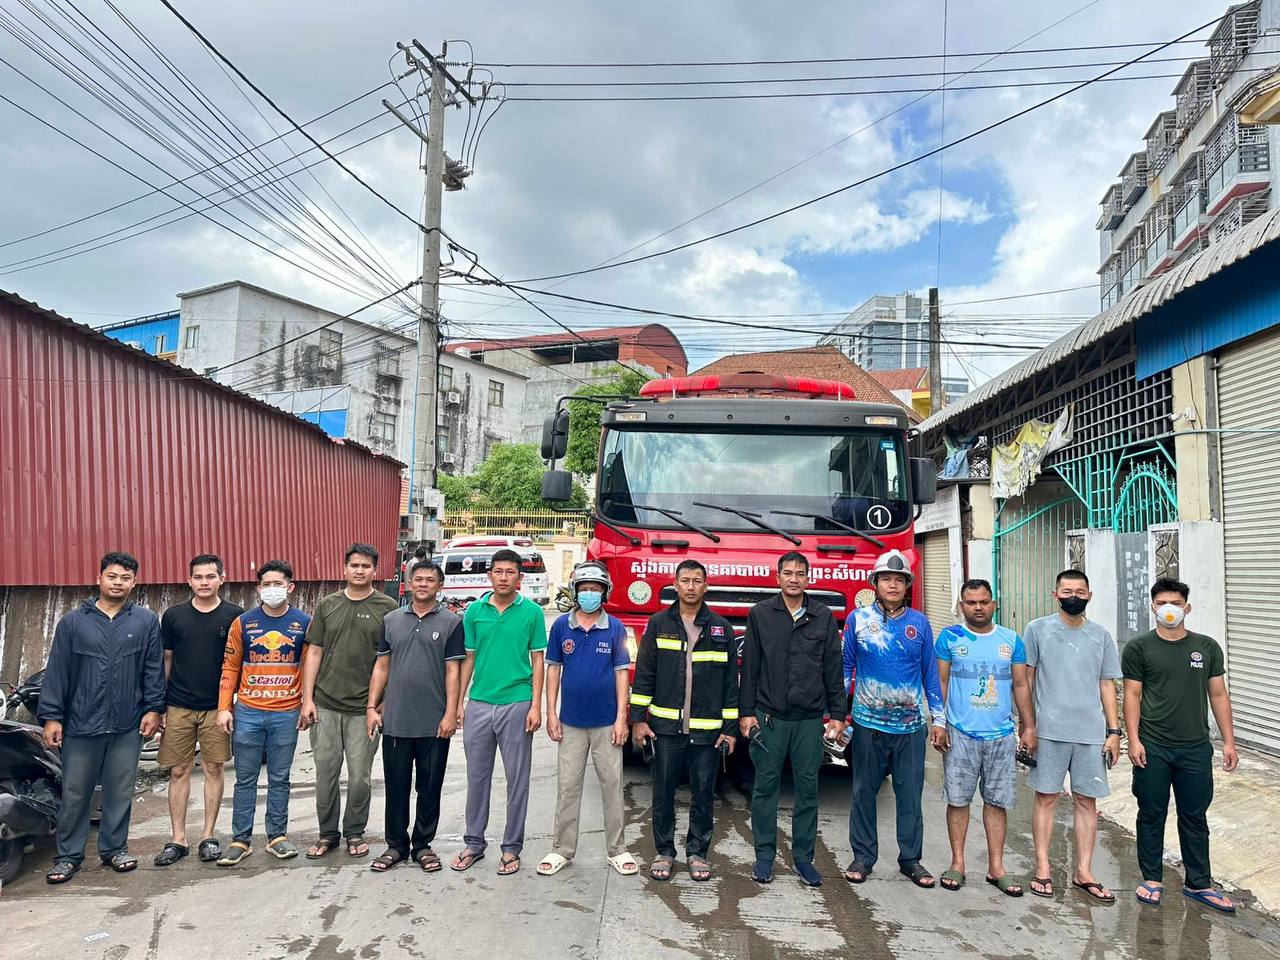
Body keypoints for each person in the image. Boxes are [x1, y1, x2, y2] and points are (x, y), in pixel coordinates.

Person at [39, 552, 165, 884]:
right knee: (75, 792)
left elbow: (153, 669)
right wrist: (52, 717)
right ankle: (68, 856)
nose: (117, 583)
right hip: (81, 723)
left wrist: (154, 709)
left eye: (125, 578)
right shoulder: (73, 623)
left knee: (119, 791)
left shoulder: (145, 622)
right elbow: (58, 671)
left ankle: (114, 850)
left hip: (127, 723)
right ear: (99, 578)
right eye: (112, 576)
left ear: (134, 583)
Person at [1124, 578, 1239, 913]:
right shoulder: (1139, 648)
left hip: (1195, 748)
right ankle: (1152, 879)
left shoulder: (1206, 647)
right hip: (1153, 746)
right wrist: (1134, 740)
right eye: (1162, 603)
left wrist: (1229, 742)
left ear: (1187, 607)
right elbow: (1132, 694)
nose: (1169, 609)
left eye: (1175, 603)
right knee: (1151, 812)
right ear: (1153, 607)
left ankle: (1199, 882)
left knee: (1194, 815)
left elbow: (1218, 694)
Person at [841, 549, 945, 889]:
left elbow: (930, 674)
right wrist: (839, 715)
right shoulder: (857, 620)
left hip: (911, 727)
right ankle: (862, 857)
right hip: (867, 725)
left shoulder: (920, 624)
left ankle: (911, 859)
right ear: (875, 582)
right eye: (886, 578)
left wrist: (939, 719)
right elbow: (845, 668)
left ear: (907, 585)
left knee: (910, 796)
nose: (892, 585)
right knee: (863, 793)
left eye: (899, 580)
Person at [629, 559, 738, 883]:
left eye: (697, 581)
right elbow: (645, 675)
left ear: (706, 586)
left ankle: (697, 853)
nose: (691, 586)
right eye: (685, 580)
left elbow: (731, 684)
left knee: (703, 795)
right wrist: (638, 720)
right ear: (675, 585)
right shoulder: (658, 624)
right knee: (663, 793)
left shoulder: (721, 628)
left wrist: (729, 730)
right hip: (665, 730)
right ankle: (664, 852)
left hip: (707, 732)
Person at [739, 551, 844, 887]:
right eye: (788, 573)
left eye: (800, 573)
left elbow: (832, 668)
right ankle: (764, 858)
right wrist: (746, 714)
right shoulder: (761, 614)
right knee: (765, 788)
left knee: (807, 790)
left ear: (808, 579)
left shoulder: (823, 616)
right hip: (769, 718)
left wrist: (838, 714)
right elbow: (750, 667)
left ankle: (803, 859)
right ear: (778, 578)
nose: (794, 579)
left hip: (809, 721)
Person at [1023, 569, 1122, 902]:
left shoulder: (1101, 636)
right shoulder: (1037, 630)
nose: (1074, 597)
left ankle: (1084, 872)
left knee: (1086, 801)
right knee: (1046, 797)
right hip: (1049, 731)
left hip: (1090, 734)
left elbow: (1107, 684)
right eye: (1067, 591)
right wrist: (1027, 725)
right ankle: (1042, 867)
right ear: (1055, 595)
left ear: (1090, 596)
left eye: (1080, 592)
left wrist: (1113, 731)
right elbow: (1026, 680)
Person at [933, 579, 1036, 897]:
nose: (978, 607)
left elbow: (1021, 685)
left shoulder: (1011, 640)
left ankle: (996, 868)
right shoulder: (950, 638)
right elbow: (941, 682)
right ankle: (958, 863)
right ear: (961, 606)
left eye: (983, 601)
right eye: (971, 602)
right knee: (958, 800)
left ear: (994, 604)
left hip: (1001, 736)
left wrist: (1028, 726)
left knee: (996, 802)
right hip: (960, 734)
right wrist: (938, 722)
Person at [536, 561, 637, 878]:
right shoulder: (561, 627)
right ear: (575, 592)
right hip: (571, 722)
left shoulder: (616, 628)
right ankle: (562, 849)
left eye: (595, 589)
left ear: (604, 593)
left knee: (612, 786)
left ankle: (617, 850)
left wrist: (621, 718)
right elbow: (554, 670)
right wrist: (551, 713)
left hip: (606, 722)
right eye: (584, 589)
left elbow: (622, 674)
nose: (589, 594)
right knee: (568, 787)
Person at [451, 548, 548, 876]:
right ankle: (474, 843)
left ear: (520, 578)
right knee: (477, 777)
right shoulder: (474, 612)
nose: (504, 577)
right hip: (479, 703)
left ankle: (511, 848)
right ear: (489, 575)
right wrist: (459, 702)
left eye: (510, 572)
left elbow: (538, 661)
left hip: (517, 703)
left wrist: (536, 705)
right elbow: (468, 658)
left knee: (517, 780)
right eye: (498, 571)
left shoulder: (531, 613)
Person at [300, 543, 399, 859]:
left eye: (366, 566)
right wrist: (307, 699)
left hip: (364, 709)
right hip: (326, 704)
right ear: (344, 569)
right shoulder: (328, 605)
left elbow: (392, 659)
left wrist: (384, 701)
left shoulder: (388, 607)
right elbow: (314, 652)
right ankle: (327, 834)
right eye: (354, 565)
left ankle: (355, 832)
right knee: (325, 776)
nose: (359, 570)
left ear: (375, 570)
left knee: (359, 777)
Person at [367, 560, 465, 873]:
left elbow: (453, 671)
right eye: (418, 579)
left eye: (429, 580)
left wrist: (450, 713)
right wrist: (371, 707)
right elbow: (382, 666)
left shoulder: (451, 623)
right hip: (396, 720)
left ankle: (422, 845)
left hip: (434, 723)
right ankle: (396, 845)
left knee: (429, 787)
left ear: (440, 586)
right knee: (396, 787)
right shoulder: (391, 620)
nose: (422, 584)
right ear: (409, 584)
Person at [153, 554, 243, 867]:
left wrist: (232, 704)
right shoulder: (173, 616)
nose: (204, 582)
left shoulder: (234, 616)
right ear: (189, 580)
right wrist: (160, 705)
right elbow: (167, 660)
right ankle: (178, 838)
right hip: (178, 705)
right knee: (178, 770)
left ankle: (208, 836)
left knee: (213, 769)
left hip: (217, 708)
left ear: (222, 579)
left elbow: (238, 664)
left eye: (210, 576)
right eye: (198, 577)